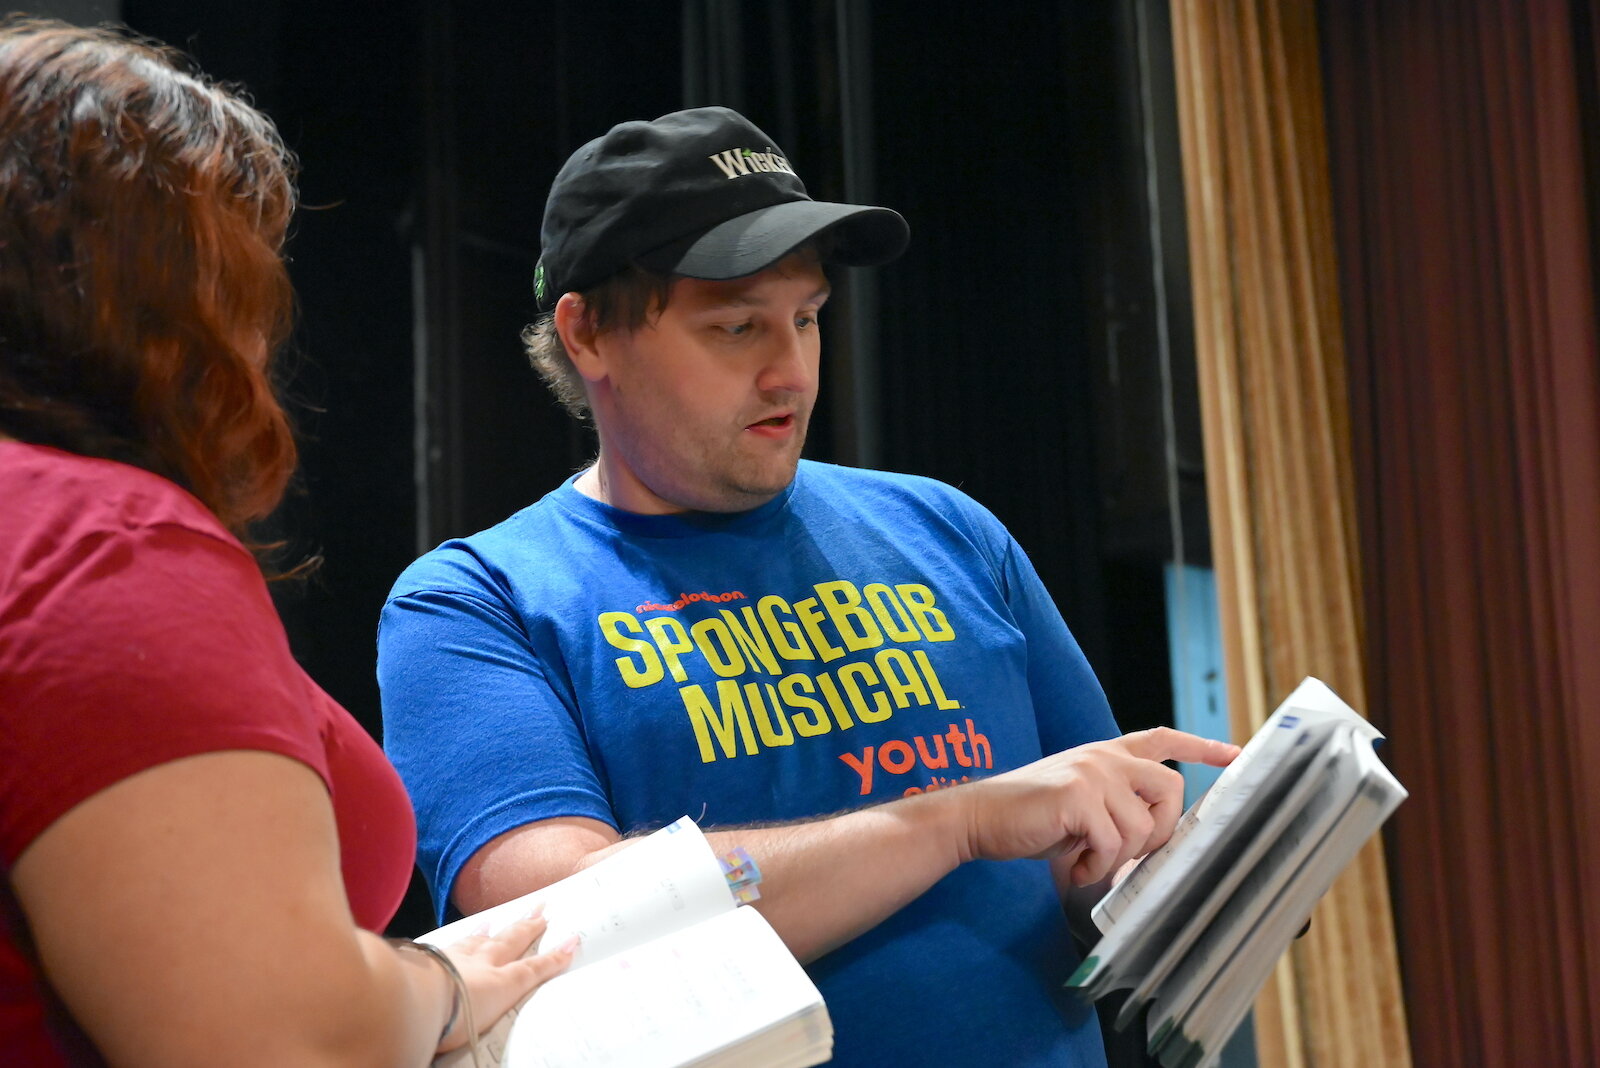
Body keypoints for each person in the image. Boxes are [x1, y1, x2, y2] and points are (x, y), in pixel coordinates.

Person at [377, 106, 1237, 1067]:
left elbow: (1087, 866)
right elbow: (556, 926)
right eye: (738, 326)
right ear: (588, 336)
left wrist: (1202, 875)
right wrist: (956, 821)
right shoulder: (475, 602)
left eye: (808, 318)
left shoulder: (944, 528)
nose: (791, 373)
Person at [0, 18, 576, 1066]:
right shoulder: (101, 545)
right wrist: (437, 986)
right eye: (250, 267)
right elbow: (269, 1034)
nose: (268, 326)